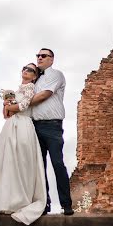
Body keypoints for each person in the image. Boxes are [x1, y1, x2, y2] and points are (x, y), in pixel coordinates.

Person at [0, 63, 47, 225]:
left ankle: (19, 200)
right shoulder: (16, 91)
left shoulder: (30, 88)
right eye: (24, 68)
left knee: (21, 161)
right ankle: (5, 199)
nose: (26, 70)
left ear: (35, 76)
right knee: (8, 161)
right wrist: (6, 105)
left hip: (23, 125)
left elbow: (24, 106)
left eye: (31, 70)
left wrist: (11, 106)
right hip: (10, 126)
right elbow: (7, 115)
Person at [29, 48, 74, 215]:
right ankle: (44, 205)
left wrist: (20, 104)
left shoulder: (55, 75)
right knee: (39, 167)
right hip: (34, 126)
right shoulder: (34, 79)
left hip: (52, 126)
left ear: (52, 59)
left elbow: (43, 96)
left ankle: (66, 204)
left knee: (57, 164)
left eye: (44, 56)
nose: (40, 58)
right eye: (38, 56)